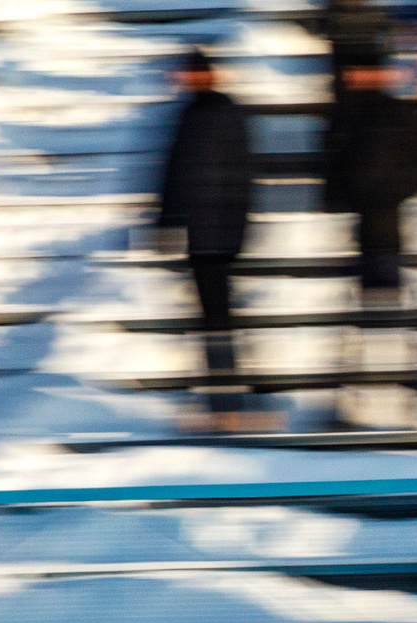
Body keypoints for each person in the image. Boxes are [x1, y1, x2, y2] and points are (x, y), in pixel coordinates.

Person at [323, 49, 417, 426]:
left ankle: (406, 402)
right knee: (372, 326)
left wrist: (380, 193)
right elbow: (332, 174)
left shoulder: (394, 114)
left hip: (384, 232)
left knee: (383, 325)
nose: (353, 76)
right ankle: (371, 404)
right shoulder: (350, 115)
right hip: (369, 232)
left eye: (360, 69)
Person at [156, 48, 254, 424]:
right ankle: (224, 397)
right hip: (207, 233)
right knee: (215, 318)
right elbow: (175, 173)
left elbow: (237, 173)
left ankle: (226, 400)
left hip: (215, 233)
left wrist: (168, 221)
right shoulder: (202, 113)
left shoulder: (207, 114)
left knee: (216, 318)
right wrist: (167, 221)